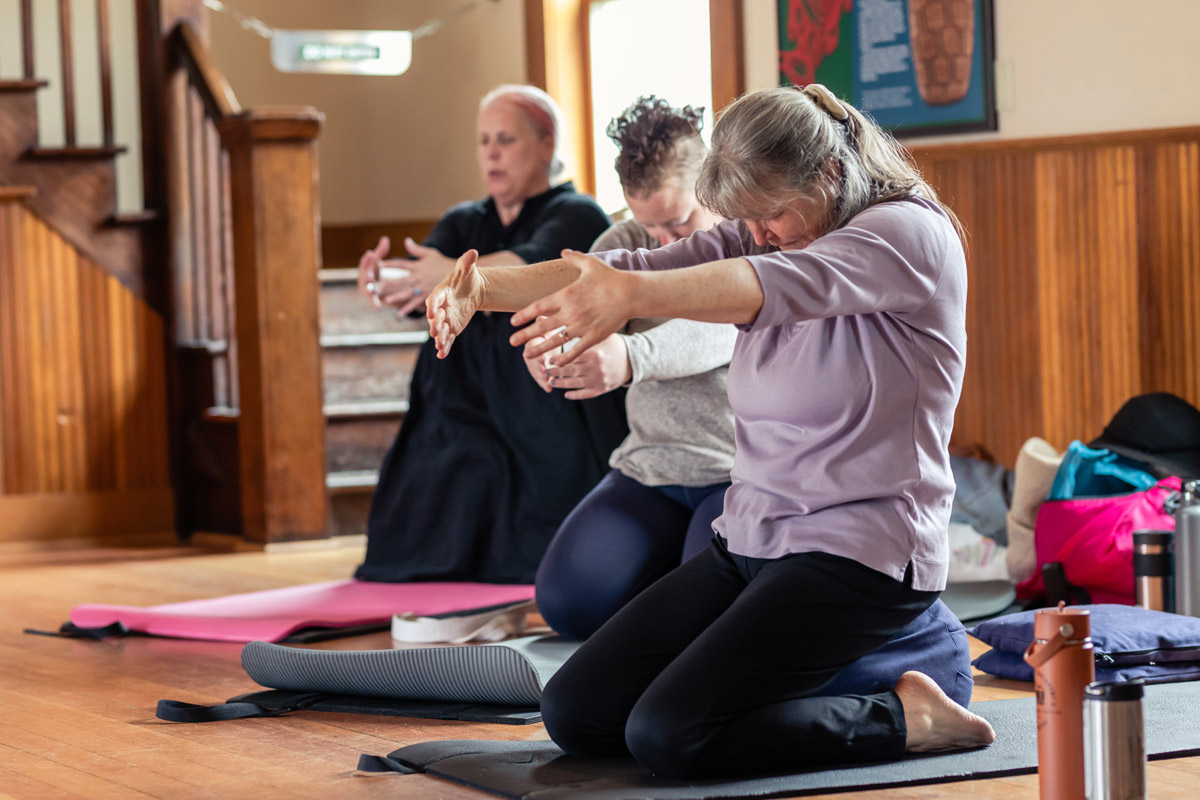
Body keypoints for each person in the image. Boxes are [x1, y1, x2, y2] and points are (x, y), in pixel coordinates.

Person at [426, 84, 995, 778]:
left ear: (830, 175)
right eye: (746, 220)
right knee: (578, 711)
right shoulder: (771, 227)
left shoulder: (907, 234)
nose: (757, 232)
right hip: (753, 539)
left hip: (862, 555)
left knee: (672, 734)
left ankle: (908, 716)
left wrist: (633, 303)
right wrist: (480, 290)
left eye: (770, 214)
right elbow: (619, 270)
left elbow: (768, 283)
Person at [353, 85, 626, 585]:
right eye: (484, 141)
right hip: (459, 396)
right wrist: (385, 283)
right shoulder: (464, 221)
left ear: (546, 145)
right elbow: (423, 285)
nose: (492, 153)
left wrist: (444, 276)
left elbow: (529, 268)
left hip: (537, 394)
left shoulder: (578, 212)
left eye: (506, 139)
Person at [529, 96, 735, 640]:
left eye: (678, 220)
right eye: (649, 226)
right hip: (651, 470)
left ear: (711, 184)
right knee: (566, 607)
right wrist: (553, 350)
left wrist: (630, 357)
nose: (664, 243)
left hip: (740, 474)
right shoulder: (621, 244)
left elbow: (721, 330)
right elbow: (572, 310)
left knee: (707, 623)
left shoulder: (748, 236)